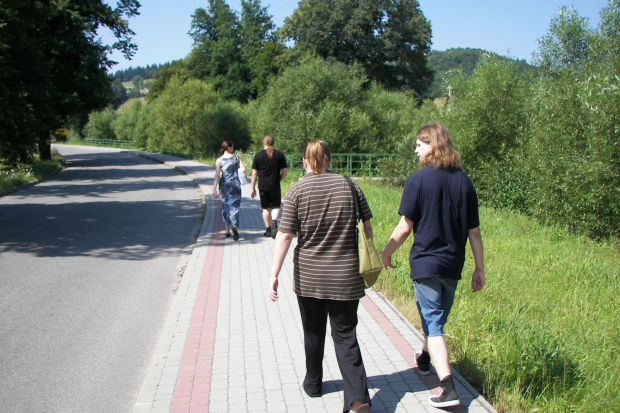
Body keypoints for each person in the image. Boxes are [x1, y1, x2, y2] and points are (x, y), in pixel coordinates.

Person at [380, 123, 485, 409]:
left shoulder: (418, 180)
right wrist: (479, 268)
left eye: (419, 144)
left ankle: (448, 388)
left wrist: (386, 253)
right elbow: (473, 232)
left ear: (432, 145)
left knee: (435, 325)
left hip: (426, 265)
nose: (415, 149)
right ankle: (425, 358)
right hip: (453, 265)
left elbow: (405, 225)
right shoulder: (465, 181)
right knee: (435, 321)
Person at [268, 141, 372, 413]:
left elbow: (286, 234)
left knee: (313, 332)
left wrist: (273, 274)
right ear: (330, 160)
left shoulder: (298, 189)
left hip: (310, 276)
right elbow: (368, 229)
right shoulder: (351, 187)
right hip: (347, 275)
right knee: (345, 335)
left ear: (304, 162)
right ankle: (358, 399)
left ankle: (313, 384)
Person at [251, 135, 287, 238]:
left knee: (265, 207)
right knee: (276, 206)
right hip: (275, 184)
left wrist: (252, 188)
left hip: (263, 185)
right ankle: (274, 222)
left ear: (263, 142)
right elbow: (284, 172)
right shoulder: (279, 155)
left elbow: (254, 174)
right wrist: (278, 179)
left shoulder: (258, 155)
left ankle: (268, 230)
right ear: (273, 142)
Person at [212, 140, 246, 241]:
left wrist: (214, 189)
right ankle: (235, 227)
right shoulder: (236, 158)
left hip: (224, 186)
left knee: (225, 206)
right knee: (235, 206)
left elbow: (217, 175)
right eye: (232, 147)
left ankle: (227, 230)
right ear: (229, 147)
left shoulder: (219, 160)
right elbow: (244, 169)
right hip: (235, 185)